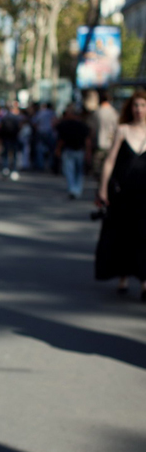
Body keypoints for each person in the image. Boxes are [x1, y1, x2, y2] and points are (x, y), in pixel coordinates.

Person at [95, 90, 146, 301]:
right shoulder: (123, 130)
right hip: (123, 194)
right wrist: (102, 188)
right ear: (130, 108)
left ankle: (144, 281)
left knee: (144, 236)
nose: (139, 109)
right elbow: (110, 161)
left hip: (144, 195)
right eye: (136, 105)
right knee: (123, 235)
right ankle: (123, 277)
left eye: (143, 105)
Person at [55, 105, 92, 199]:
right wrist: (88, 152)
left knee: (70, 171)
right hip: (78, 151)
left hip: (70, 150)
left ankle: (72, 189)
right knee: (77, 172)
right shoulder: (83, 125)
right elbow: (87, 140)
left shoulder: (65, 124)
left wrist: (58, 149)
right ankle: (76, 189)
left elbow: (61, 140)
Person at [89, 90, 119, 179]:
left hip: (99, 144)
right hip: (110, 145)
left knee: (98, 172)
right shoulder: (114, 112)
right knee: (108, 171)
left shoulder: (97, 112)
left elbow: (92, 130)